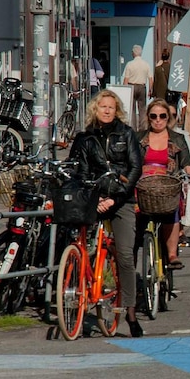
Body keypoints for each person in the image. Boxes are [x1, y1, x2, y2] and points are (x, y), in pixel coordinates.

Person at [67, 90, 143, 336]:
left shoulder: (127, 134)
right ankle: (78, 289)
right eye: (103, 106)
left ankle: (130, 309)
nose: (107, 110)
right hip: (94, 198)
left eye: (112, 107)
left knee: (124, 255)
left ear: (117, 110)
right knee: (77, 243)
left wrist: (115, 197)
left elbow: (134, 168)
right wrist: (94, 197)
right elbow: (77, 170)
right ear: (95, 109)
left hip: (121, 200)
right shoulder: (84, 138)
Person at [135, 99, 190, 270]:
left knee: (171, 211)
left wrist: (189, 168)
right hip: (143, 184)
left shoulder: (177, 138)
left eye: (162, 116)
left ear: (168, 118)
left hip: (167, 183)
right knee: (133, 215)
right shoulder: (138, 137)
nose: (158, 120)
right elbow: (131, 160)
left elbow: (186, 160)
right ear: (148, 117)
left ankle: (171, 254)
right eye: (153, 116)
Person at [167, 104, 190, 247]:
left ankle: (179, 232)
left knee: (184, 192)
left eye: (172, 115)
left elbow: (189, 157)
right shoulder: (145, 135)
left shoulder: (181, 136)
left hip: (175, 177)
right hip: (152, 178)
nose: (165, 118)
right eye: (156, 115)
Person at [123, 44, 153, 129]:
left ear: (133, 53)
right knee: (142, 109)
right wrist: (150, 90)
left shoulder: (129, 64)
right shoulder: (146, 64)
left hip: (131, 86)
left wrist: (125, 90)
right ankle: (142, 128)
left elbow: (126, 79)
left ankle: (133, 128)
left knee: (132, 109)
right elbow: (150, 78)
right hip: (142, 87)